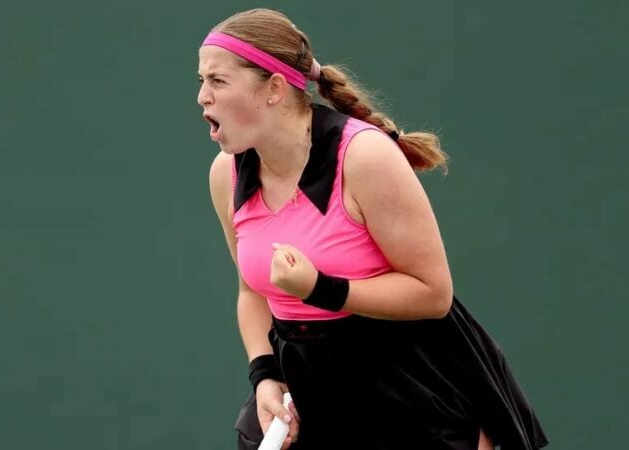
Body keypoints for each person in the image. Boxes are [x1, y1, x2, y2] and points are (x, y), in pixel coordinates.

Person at [198, 8, 548, 450]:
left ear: (274, 88)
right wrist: (265, 375)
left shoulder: (365, 156)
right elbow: (253, 292)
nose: (202, 97)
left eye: (218, 81)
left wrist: (320, 288)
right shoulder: (225, 174)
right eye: (201, 81)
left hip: (410, 383)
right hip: (308, 387)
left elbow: (433, 294)